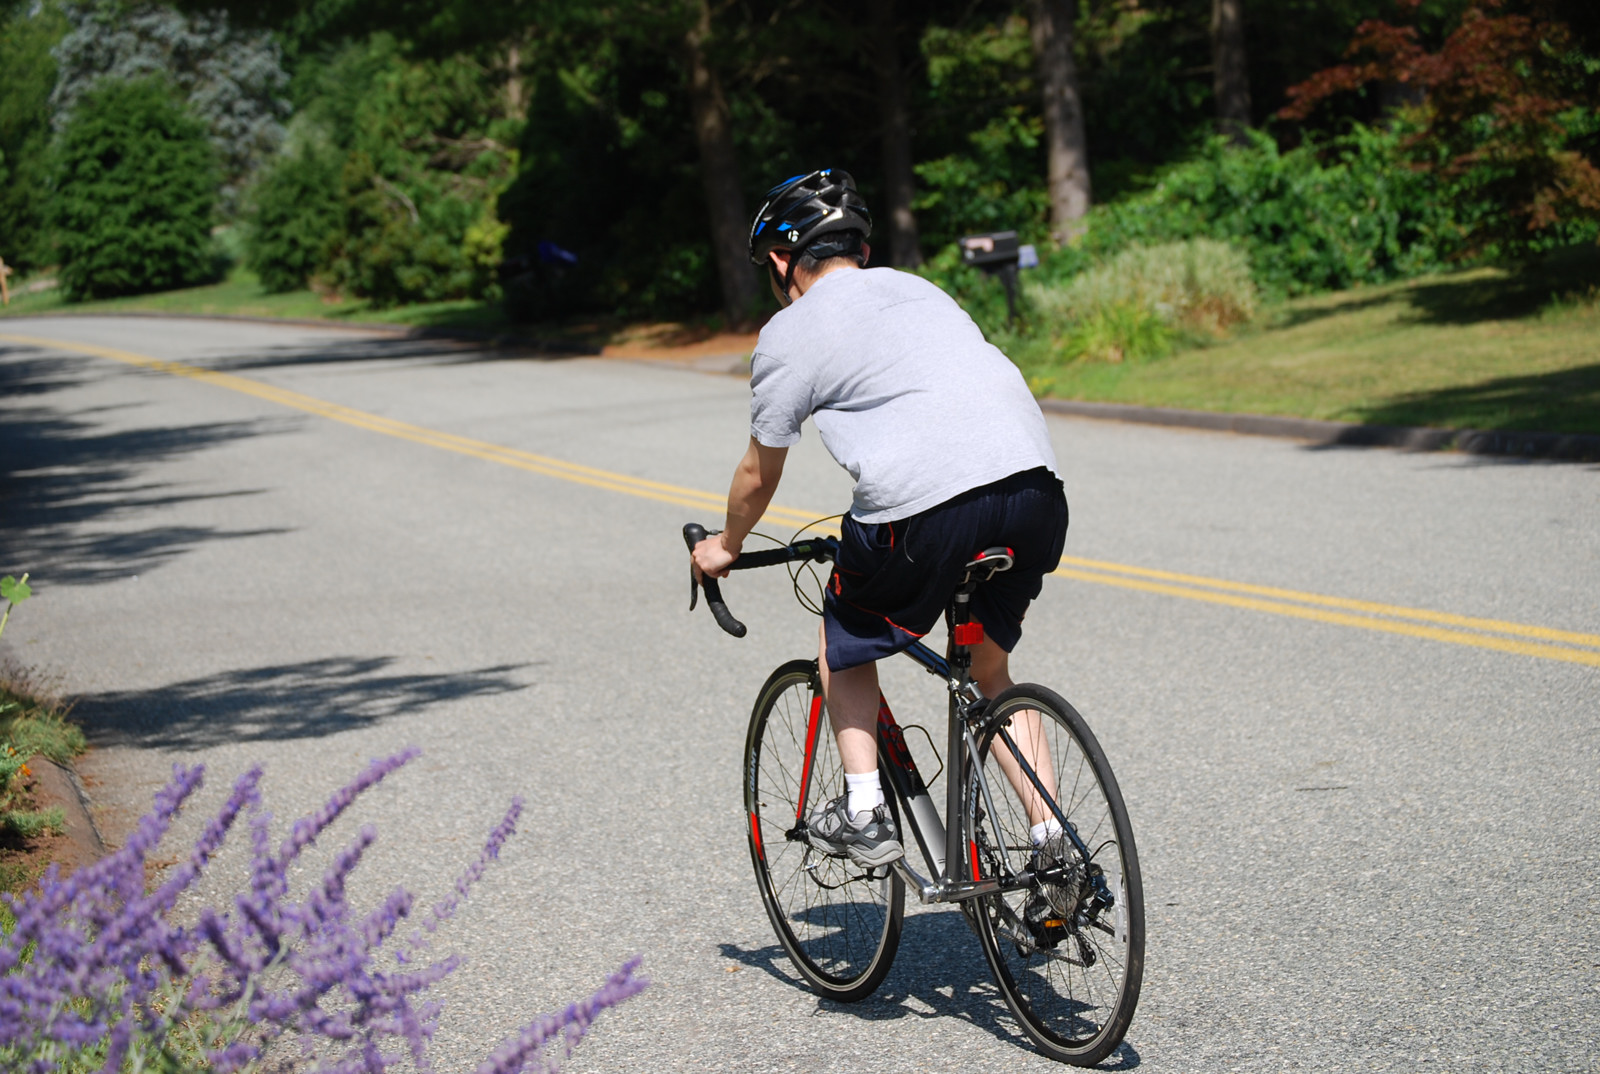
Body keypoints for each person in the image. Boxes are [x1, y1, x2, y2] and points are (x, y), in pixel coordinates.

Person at [691, 169, 1069, 868]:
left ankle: (864, 811)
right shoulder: (921, 288)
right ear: (856, 247)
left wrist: (726, 545)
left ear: (781, 260)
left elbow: (759, 471)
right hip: (1036, 490)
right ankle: (1055, 849)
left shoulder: (787, 332)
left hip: (927, 512)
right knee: (990, 667)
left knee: (846, 634)